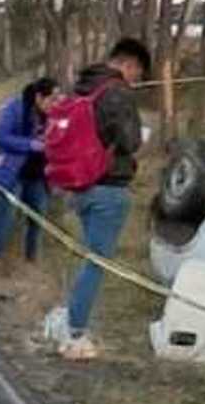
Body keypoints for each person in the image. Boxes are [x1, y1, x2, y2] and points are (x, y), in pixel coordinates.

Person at [58, 38, 149, 360]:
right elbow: (130, 140)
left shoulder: (83, 87)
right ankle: (75, 334)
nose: (136, 79)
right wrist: (141, 137)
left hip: (79, 184)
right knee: (96, 262)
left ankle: (69, 319)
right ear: (129, 64)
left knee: (87, 258)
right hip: (107, 186)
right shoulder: (118, 92)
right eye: (138, 72)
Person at [0, 77, 58, 279]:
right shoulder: (15, 108)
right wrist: (31, 144)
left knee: (37, 218)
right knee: (4, 217)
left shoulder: (55, 114)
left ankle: (30, 263)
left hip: (38, 174)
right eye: (51, 99)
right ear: (39, 97)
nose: (55, 103)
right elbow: (1, 137)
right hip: (11, 172)